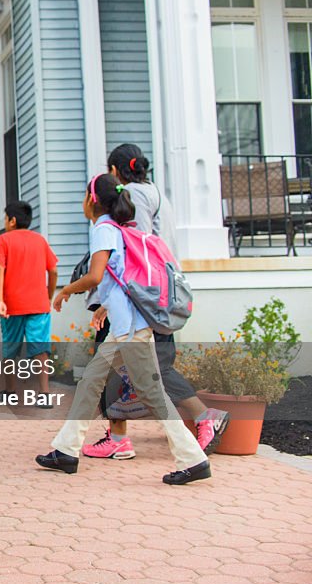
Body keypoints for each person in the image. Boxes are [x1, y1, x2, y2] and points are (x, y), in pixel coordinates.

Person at [37, 173, 212, 485]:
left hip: (131, 331)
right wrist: (105, 307)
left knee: (151, 393)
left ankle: (193, 459)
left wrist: (65, 290)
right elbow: (120, 280)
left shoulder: (103, 228)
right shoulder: (116, 229)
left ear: (92, 201)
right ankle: (66, 450)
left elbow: (95, 275)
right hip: (125, 327)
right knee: (92, 379)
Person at [82, 144, 229, 460]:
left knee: (144, 369)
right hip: (158, 295)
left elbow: (134, 254)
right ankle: (117, 435)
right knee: (132, 367)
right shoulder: (155, 193)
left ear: (113, 171)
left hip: (141, 299)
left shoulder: (132, 197)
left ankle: (203, 417)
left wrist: (110, 300)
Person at [0, 200, 58, 406]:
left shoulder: (4, 240)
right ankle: (44, 394)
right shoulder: (40, 241)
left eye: (6, 217)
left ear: (13, 220)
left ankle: (10, 391)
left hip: (12, 305)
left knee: (10, 348)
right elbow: (53, 270)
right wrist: (48, 295)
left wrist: (0, 300)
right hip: (38, 304)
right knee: (41, 350)